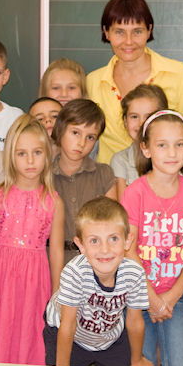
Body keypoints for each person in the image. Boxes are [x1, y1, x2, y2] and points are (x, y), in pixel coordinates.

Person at [0, 115, 66, 364]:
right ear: (11, 156)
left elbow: (56, 252)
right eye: (22, 153)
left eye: (37, 152)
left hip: (34, 285)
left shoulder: (53, 201)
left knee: (29, 340)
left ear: (47, 155)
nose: (30, 161)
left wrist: (56, 297)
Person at [121, 109, 183, 366]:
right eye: (162, 145)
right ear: (146, 149)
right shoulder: (134, 193)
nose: (172, 153)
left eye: (179, 144)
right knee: (142, 365)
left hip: (175, 296)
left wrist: (171, 296)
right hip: (138, 295)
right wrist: (152, 298)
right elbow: (128, 249)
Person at [86, 0, 183, 164]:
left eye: (137, 31)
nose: (128, 41)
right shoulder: (92, 82)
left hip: (162, 176)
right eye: (119, 32)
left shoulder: (178, 74)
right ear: (106, 32)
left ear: (149, 31)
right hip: (109, 177)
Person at [43, 197, 152, 366]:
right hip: (68, 334)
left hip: (110, 338)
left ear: (127, 241)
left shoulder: (134, 273)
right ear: (81, 245)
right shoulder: (74, 273)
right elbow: (68, 325)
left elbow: (134, 321)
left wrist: (137, 360)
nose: (105, 249)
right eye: (94, 241)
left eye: (113, 239)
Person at [51, 99, 116, 265]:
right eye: (75, 133)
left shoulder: (104, 174)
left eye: (90, 137)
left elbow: (113, 225)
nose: (81, 143)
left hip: (96, 262)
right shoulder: (43, 176)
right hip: (51, 262)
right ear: (60, 129)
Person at [110, 84, 168, 201]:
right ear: (125, 121)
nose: (141, 123)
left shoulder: (174, 156)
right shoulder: (120, 161)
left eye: (148, 116)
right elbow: (124, 205)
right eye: (134, 117)